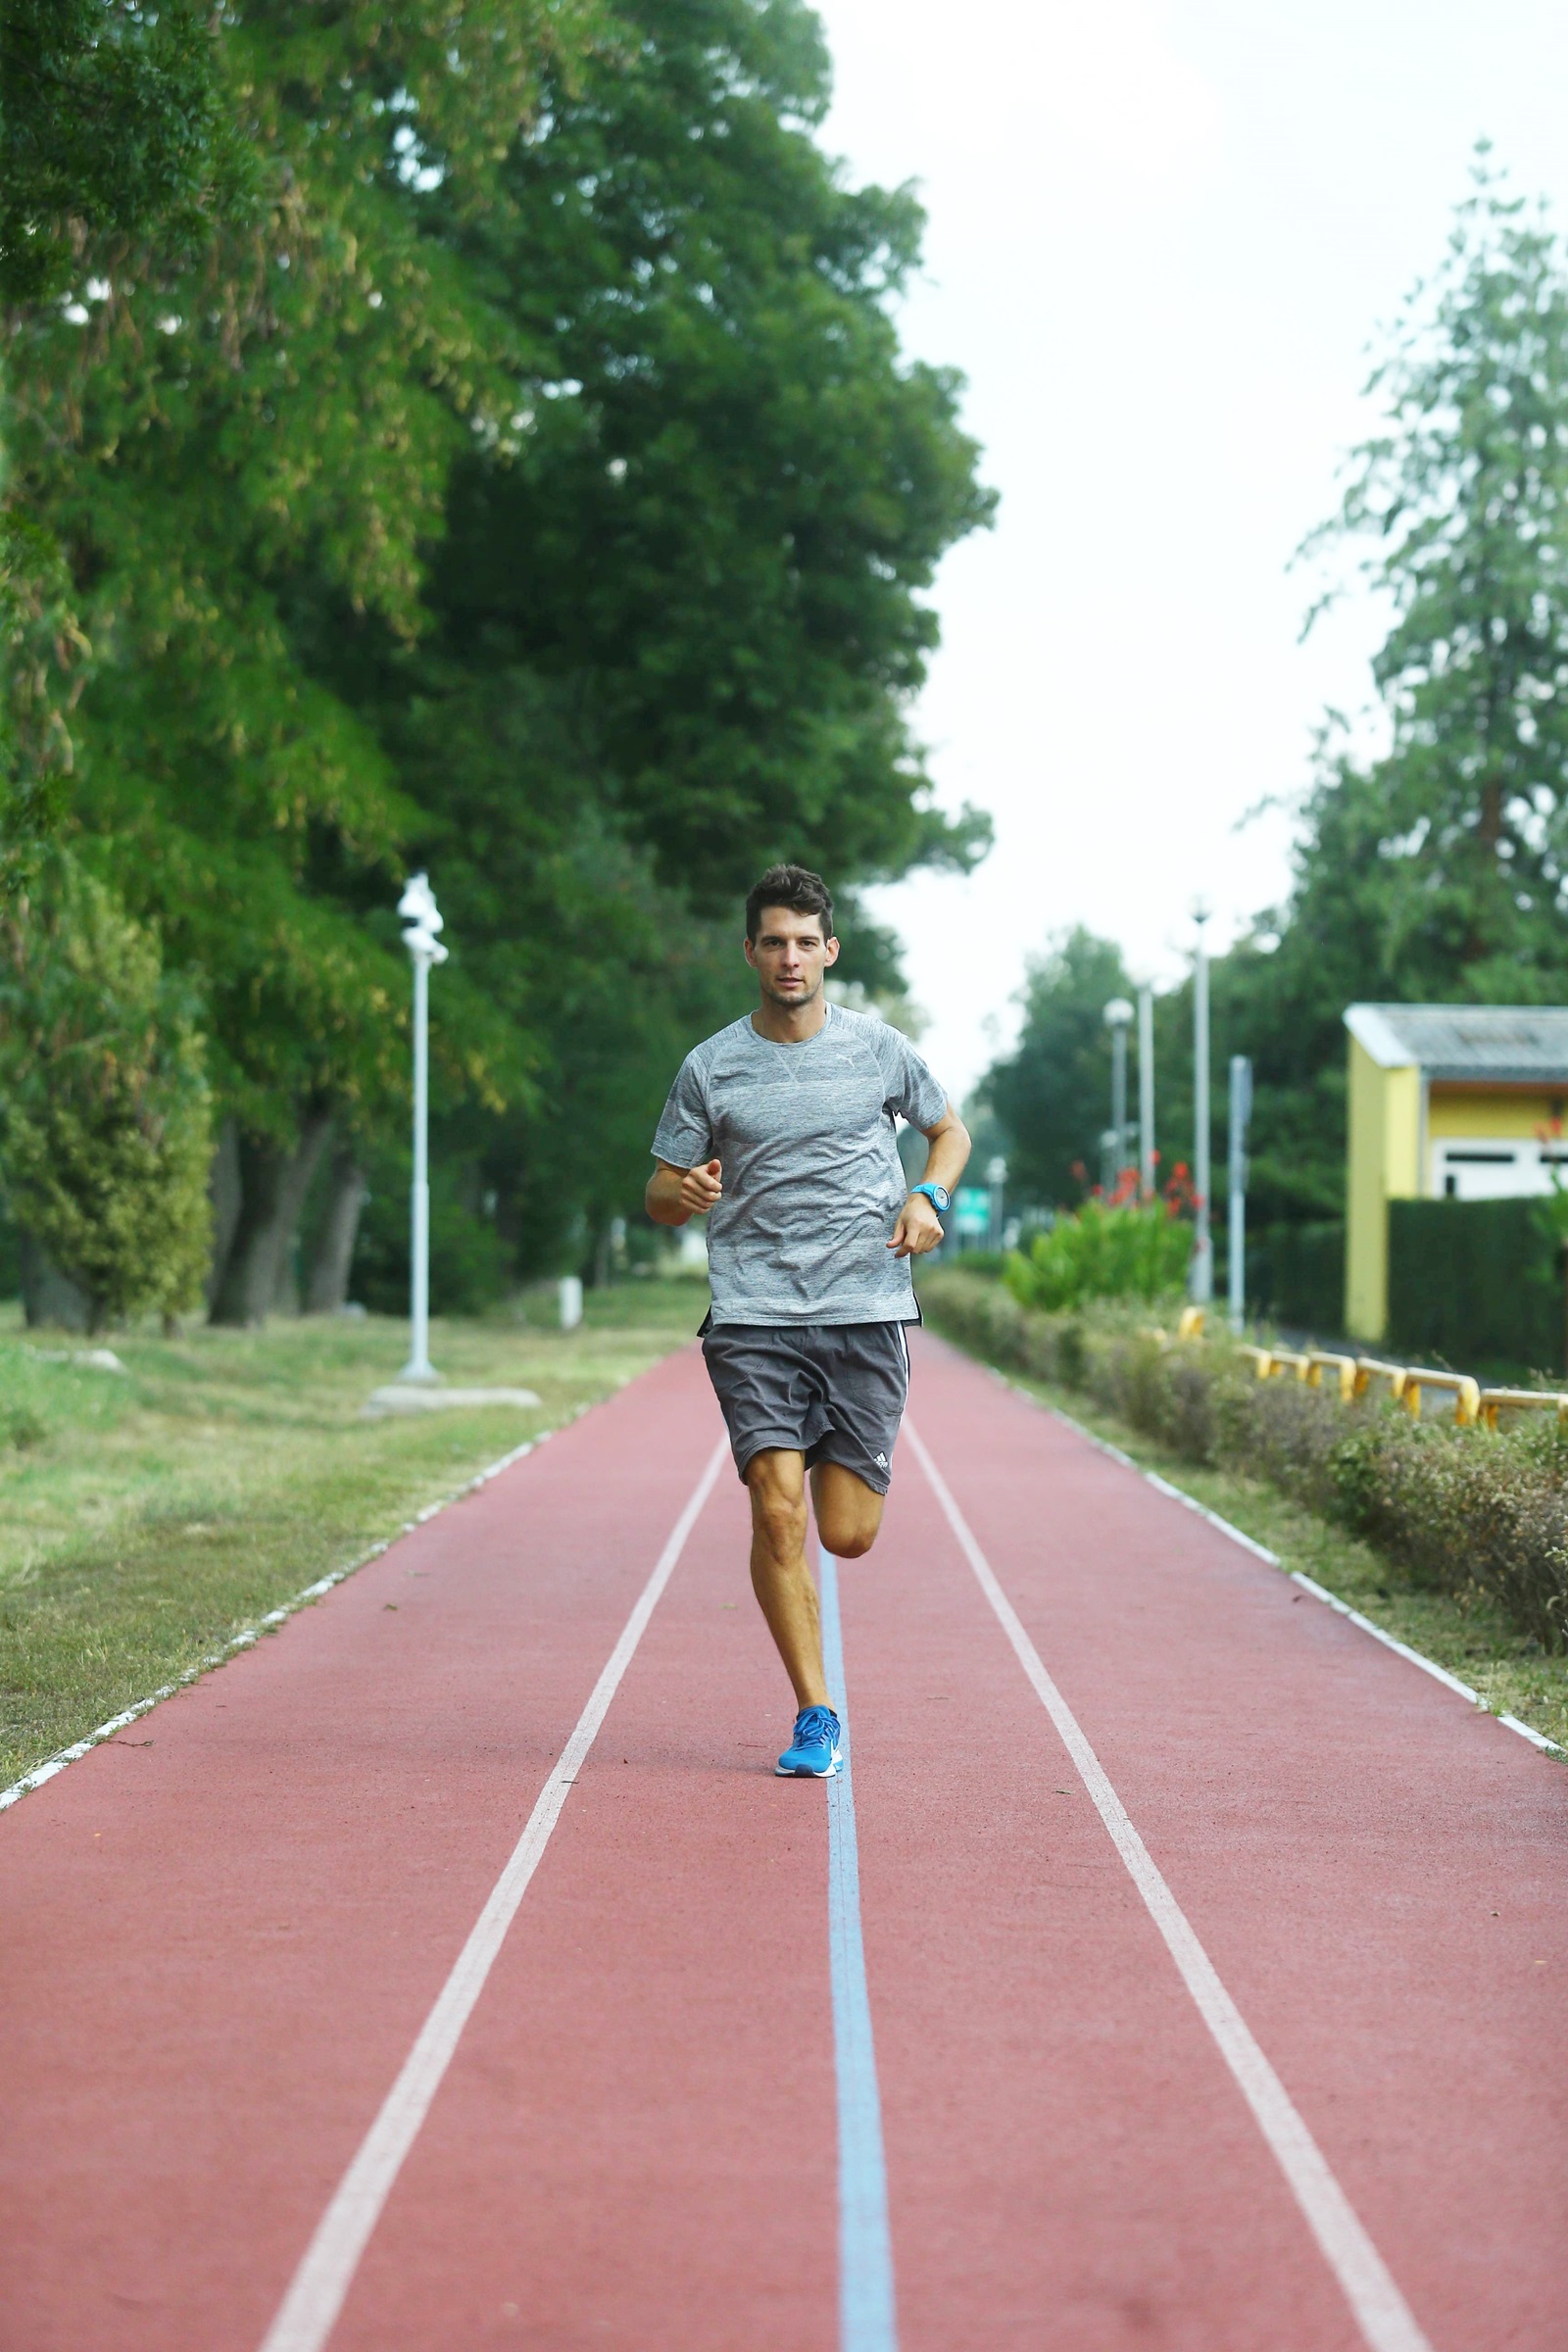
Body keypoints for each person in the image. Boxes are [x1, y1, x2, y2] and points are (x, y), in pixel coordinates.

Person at [646, 863, 970, 1778]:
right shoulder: (710, 1066)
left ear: (830, 950)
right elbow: (660, 1192)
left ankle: (820, 1459)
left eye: (804, 941)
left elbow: (950, 1129)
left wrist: (929, 1195)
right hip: (753, 1316)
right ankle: (815, 1711)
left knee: (846, 1533)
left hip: (866, 1309)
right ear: (750, 951)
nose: (789, 957)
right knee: (779, 1515)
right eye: (772, 941)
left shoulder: (877, 1050)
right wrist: (686, 1188)